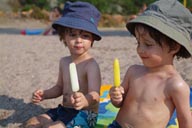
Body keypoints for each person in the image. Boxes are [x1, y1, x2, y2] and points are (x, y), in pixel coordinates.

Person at [108, 0, 192, 128]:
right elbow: (119, 103)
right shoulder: (133, 71)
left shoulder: (175, 85)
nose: (140, 49)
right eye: (138, 42)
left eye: (148, 44)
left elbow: (185, 121)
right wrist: (116, 97)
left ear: (174, 46)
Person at [24, 1, 102, 128]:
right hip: (64, 110)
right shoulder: (64, 62)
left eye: (85, 35)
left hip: (85, 114)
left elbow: (95, 94)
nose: (78, 40)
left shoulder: (90, 65)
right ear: (63, 36)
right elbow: (59, 88)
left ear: (92, 39)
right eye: (72, 34)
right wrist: (44, 94)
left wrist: (85, 100)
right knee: (32, 122)